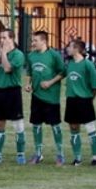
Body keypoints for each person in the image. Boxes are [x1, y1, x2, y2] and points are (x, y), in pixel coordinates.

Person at [25, 31, 67, 166]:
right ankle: (38, 154)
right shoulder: (31, 56)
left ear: (44, 41)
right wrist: (28, 84)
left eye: (35, 40)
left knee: (55, 126)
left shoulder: (54, 55)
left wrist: (50, 82)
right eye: (32, 40)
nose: (33, 43)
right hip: (36, 96)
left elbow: (63, 72)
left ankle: (60, 154)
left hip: (51, 97)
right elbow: (29, 72)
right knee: (36, 125)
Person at [0, 29, 26, 164]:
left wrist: (3, 53)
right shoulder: (1, 53)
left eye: (4, 38)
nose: (1, 40)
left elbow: (8, 68)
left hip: (13, 92)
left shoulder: (18, 55)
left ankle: (20, 155)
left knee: (18, 125)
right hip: (0, 92)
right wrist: (0, 54)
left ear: (12, 39)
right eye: (0, 37)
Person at [64, 38, 96, 166]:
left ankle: (95, 157)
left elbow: (95, 85)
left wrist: (90, 99)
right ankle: (77, 158)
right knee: (73, 128)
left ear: (76, 49)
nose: (67, 49)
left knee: (90, 128)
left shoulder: (87, 64)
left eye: (70, 46)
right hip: (71, 100)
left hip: (84, 100)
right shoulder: (70, 64)